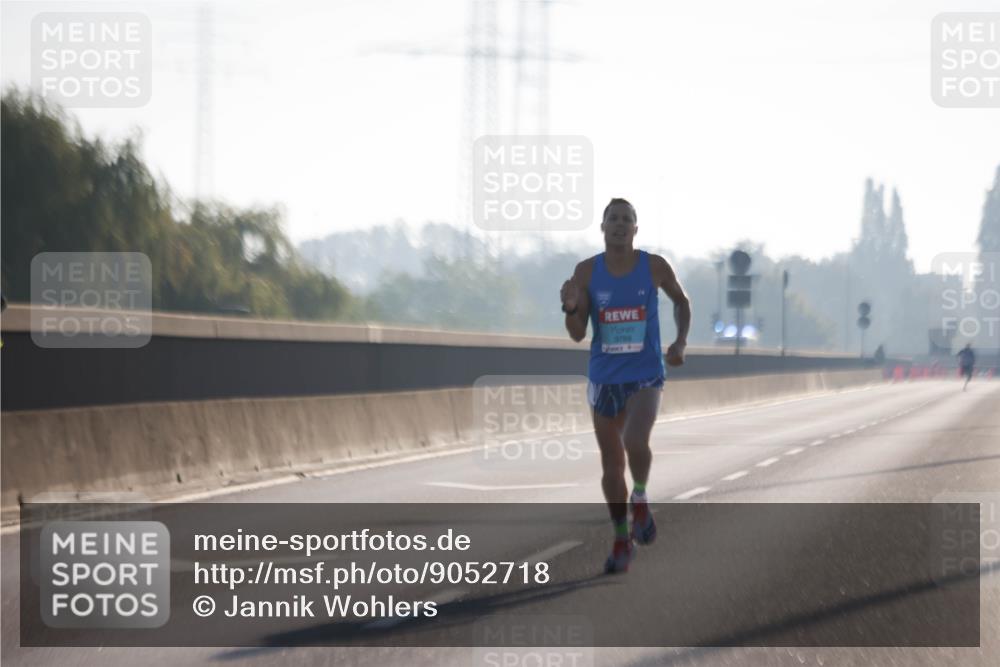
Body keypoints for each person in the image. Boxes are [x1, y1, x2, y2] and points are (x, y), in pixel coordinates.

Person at [559, 198, 691, 573]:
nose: (619, 224)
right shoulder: (586, 273)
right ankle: (621, 538)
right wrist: (571, 308)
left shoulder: (654, 266)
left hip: (645, 373)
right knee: (612, 465)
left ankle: (642, 497)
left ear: (636, 228)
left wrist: (680, 342)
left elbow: (682, 301)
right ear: (602, 228)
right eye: (612, 219)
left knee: (635, 441)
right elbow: (576, 333)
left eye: (626, 219)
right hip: (604, 379)